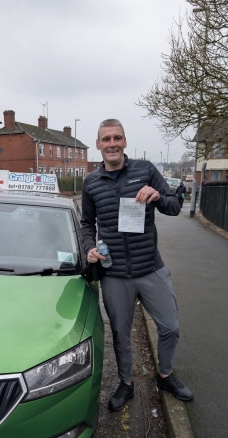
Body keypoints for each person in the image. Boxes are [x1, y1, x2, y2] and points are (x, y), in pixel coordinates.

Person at [81, 119, 193, 411]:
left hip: (150, 268)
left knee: (170, 326)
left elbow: (174, 205)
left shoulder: (145, 170)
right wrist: (89, 248)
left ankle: (165, 375)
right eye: (106, 139)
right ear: (98, 144)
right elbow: (86, 224)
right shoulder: (91, 182)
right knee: (120, 333)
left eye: (117, 137)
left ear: (125, 141)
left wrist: (158, 196)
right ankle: (126, 383)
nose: (112, 143)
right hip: (114, 273)